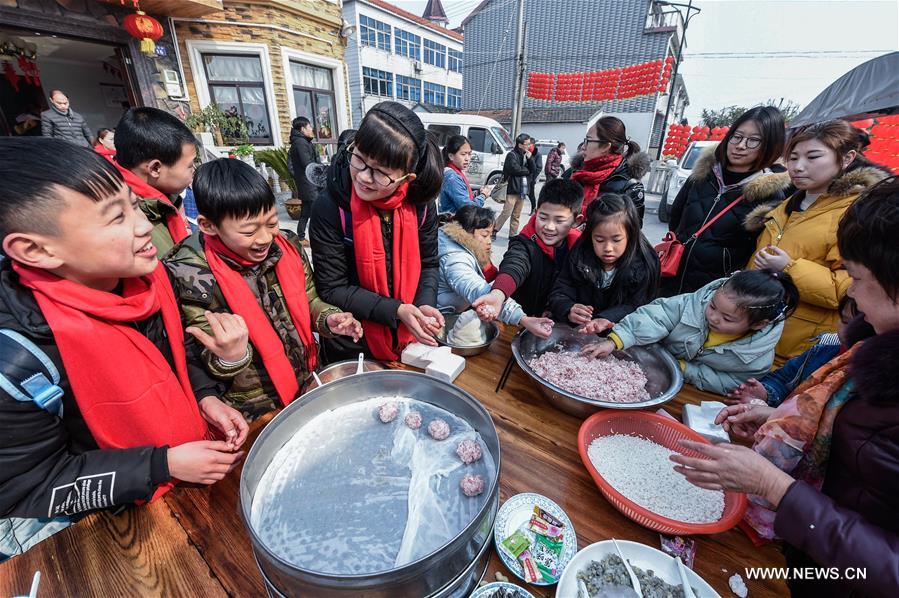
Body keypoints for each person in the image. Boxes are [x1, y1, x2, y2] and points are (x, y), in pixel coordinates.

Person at [0, 139, 249, 555]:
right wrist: (160, 464)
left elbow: (176, 356)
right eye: (116, 218)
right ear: (35, 250)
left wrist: (206, 397)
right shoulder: (19, 360)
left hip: (183, 486)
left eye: (135, 206)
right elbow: (29, 486)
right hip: (107, 532)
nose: (140, 226)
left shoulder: (147, 280)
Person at [671, 176, 899, 596]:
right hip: (815, 557)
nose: (851, 294)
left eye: (858, 278)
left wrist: (775, 485)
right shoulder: (869, 347)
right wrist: (781, 420)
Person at [165, 159, 362, 421]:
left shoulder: (287, 247)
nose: (265, 238)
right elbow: (201, 357)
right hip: (254, 407)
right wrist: (232, 356)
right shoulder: (191, 273)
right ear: (208, 225)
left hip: (306, 380)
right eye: (249, 231)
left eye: (271, 223)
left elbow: (309, 299)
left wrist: (329, 318)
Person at [309, 102, 445, 362]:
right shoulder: (331, 207)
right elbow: (333, 288)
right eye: (359, 158)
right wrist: (396, 310)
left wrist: (424, 302)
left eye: (381, 173)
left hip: (409, 339)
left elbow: (429, 263)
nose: (363, 177)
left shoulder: (421, 206)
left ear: (407, 178)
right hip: (352, 340)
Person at [746, 119, 891, 359]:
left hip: (800, 344)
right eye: (793, 158)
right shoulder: (787, 204)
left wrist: (789, 268)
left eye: (813, 157)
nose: (798, 167)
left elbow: (849, 289)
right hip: (758, 328)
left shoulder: (857, 214)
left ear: (847, 158)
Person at [583, 269, 798, 396]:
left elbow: (732, 383)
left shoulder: (756, 357)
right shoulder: (690, 305)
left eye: (727, 318)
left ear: (758, 324)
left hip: (694, 393)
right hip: (649, 367)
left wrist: (686, 370)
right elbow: (654, 317)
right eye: (713, 307)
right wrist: (616, 340)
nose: (713, 317)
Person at [664, 106, 792, 297]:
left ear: (770, 145)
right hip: (670, 276)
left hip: (717, 292)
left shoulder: (771, 195)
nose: (740, 145)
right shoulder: (702, 176)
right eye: (737, 136)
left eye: (753, 141)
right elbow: (676, 217)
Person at [726, 296, 872, 407]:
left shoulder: (872, 375)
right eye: (845, 321)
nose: (848, 331)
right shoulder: (821, 351)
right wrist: (765, 393)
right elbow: (782, 379)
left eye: (862, 327)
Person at [472, 178, 584, 320]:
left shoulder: (580, 249)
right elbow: (514, 266)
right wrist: (498, 294)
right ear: (536, 212)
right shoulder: (524, 244)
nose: (549, 226)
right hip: (521, 321)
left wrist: (561, 309)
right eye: (543, 217)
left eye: (559, 220)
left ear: (576, 221)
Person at [437, 205, 554, 337]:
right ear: (466, 233)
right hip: (442, 322)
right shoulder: (455, 259)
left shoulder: (466, 248)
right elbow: (479, 290)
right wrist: (523, 319)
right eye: (484, 235)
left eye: (491, 236)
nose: (489, 242)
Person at [548, 193, 660, 329]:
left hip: (621, 336)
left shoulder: (645, 263)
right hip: (579, 332)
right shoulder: (580, 255)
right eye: (599, 240)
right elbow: (561, 289)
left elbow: (640, 306)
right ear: (590, 236)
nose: (608, 248)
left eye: (616, 240)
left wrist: (607, 318)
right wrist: (568, 308)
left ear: (630, 234)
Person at [112, 107, 195, 256]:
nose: (193, 170)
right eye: (189, 166)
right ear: (155, 168)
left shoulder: (164, 198)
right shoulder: (128, 222)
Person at [565, 116, 650, 224]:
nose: (583, 146)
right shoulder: (573, 173)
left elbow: (630, 232)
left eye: (588, 140)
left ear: (605, 146)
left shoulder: (629, 185)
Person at [438, 134, 491, 215]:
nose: (467, 158)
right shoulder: (452, 178)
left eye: (469, 154)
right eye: (463, 154)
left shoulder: (454, 172)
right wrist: (483, 196)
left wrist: (478, 193)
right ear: (451, 156)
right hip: (453, 225)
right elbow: (468, 209)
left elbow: (462, 195)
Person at [494, 133, 533, 239]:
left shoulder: (526, 155)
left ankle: (512, 234)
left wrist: (530, 159)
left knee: (516, 214)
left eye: (529, 143)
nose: (529, 146)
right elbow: (515, 169)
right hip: (512, 188)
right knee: (506, 212)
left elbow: (533, 169)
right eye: (527, 144)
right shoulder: (511, 155)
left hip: (522, 189)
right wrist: (527, 170)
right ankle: (494, 229)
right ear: (520, 145)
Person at [288, 116, 320, 244]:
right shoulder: (300, 143)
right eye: (309, 126)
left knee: (306, 211)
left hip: (306, 182)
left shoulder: (302, 141)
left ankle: (300, 237)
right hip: (309, 184)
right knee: (316, 213)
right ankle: (316, 239)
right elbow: (307, 163)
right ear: (302, 129)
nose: (311, 129)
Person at [527, 140, 542, 213]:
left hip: (532, 178)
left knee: (531, 194)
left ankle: (533, 209)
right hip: (524, 177)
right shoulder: (526, 152)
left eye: (529, 144)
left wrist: (533, 177)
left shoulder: (537, 154)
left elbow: (539, 167)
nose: (528, 145)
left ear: (533, 144)